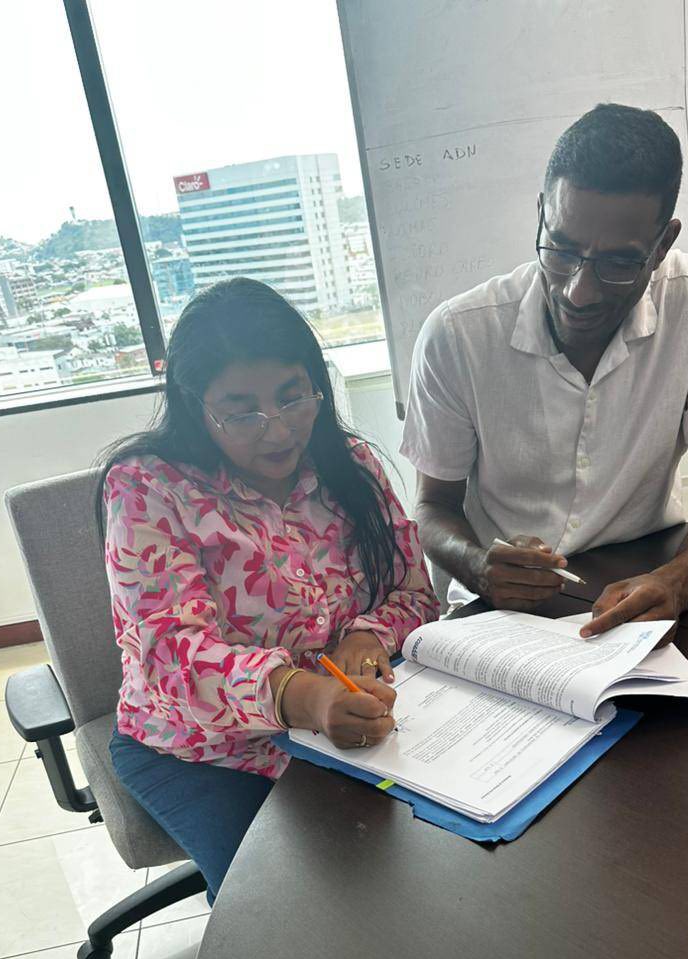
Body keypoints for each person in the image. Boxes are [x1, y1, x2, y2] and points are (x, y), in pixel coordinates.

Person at [98, 278, 439, 901]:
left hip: (341, 716)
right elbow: (170, 658)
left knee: (425, 867)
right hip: (202, 747)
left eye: (292, 398)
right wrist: (302, 696)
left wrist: (367, 636)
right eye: (242, 410)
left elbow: (414, 593)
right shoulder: (149, 488)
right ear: (195, 403)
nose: (278, 431)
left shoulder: (348, 465)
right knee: (281, 907)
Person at [402, 102, 688, 639]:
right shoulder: (457, 334)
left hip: (648, 573)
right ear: (541, 214)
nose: (579, 291)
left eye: (618, 264)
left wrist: (679, 581)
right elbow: (431, 506)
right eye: (561, 250)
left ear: (663, 245)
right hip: (500, 606)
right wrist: (479, 566)